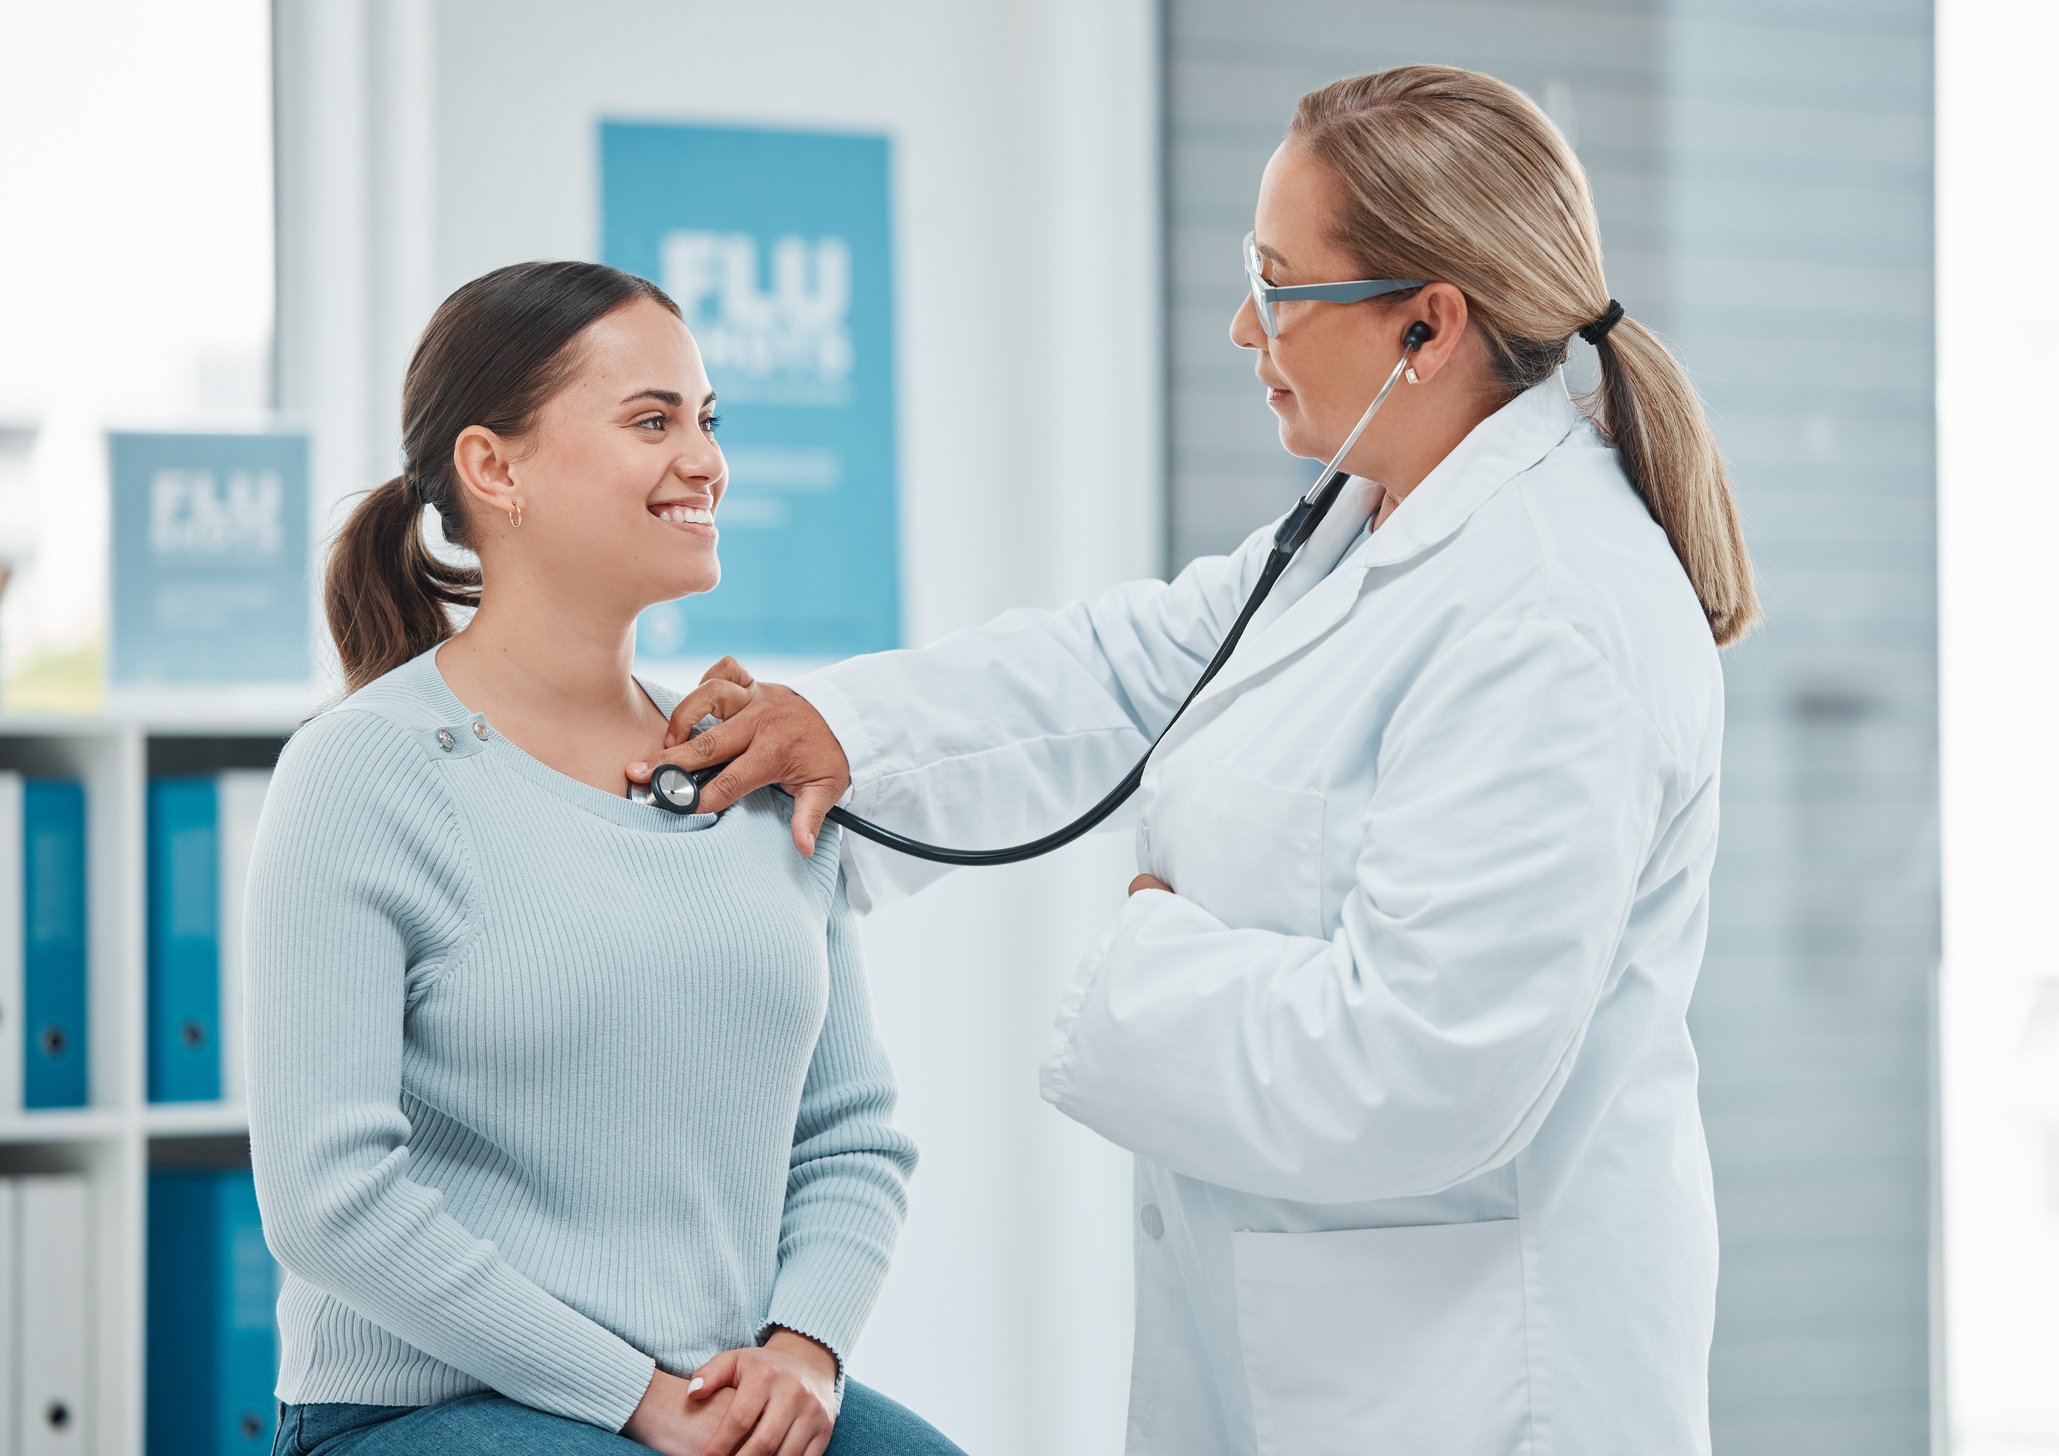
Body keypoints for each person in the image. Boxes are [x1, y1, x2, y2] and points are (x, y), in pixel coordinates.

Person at [631, 64, 1760, 1455]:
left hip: (1474, 1388)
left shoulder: (1550, 616)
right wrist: (847, 729)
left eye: (1280, 287)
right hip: (1323, 1358)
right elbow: (1128, 669)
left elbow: (1425, 1064)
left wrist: (1151, 956)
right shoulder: (1369, 524)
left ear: (1428, 323)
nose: (1242, 325)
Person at [245, 260, 963, 1456]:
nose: (706, 461)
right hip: (429, 1409)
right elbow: (331, 1204)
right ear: (494, 467)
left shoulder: (744, 760)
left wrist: (803, 1353)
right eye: (651, 421)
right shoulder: (364, 772)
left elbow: (851, 1135)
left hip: (713, 1391)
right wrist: (635, 1397)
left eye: (707, 419)